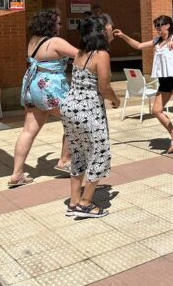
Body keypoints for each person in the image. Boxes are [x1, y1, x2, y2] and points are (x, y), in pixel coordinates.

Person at [9, 10, 78, 187]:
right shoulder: (55, 41)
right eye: (59, 23)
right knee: (74, 120)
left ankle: (16, 174)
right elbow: (81, 55)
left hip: (33, 86)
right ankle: (65, 161)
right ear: (50, 24)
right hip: (50, 87)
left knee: (28, 130)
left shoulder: (33, 40)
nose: (61, 26)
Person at [61, 16, 120, 218]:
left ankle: (73, 201)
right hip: (88, 110)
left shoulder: (80, 53)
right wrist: (116, 100)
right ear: (101, 33)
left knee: (78, 154)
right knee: (99, 153)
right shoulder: (101, 55)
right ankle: (85, 203)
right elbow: (104, 87)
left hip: (70, 108)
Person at [114, 15, 173, 153]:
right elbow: (139, 46)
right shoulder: (157, 41)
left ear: (168, 25)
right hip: (164, 79)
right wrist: (123, 36)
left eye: (160, 25)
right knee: (156, 110)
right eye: (156, 25)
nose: (158, 28)